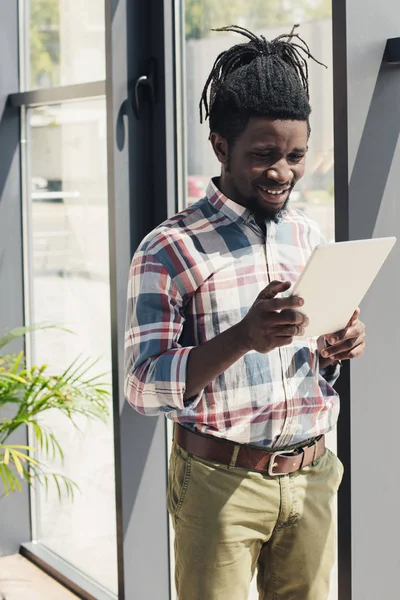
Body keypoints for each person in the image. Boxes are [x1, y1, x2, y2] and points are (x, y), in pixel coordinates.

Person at [124, 25, 366, 600]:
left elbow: (310, 362)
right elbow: (141, 387)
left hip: (311, 474)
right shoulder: (169, 248)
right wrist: (241, 337)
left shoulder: (309, 236)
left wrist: (334, 349)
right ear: (221, 146)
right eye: (264, 155)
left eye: (296, 156)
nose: (282, 172)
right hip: (216, 482)